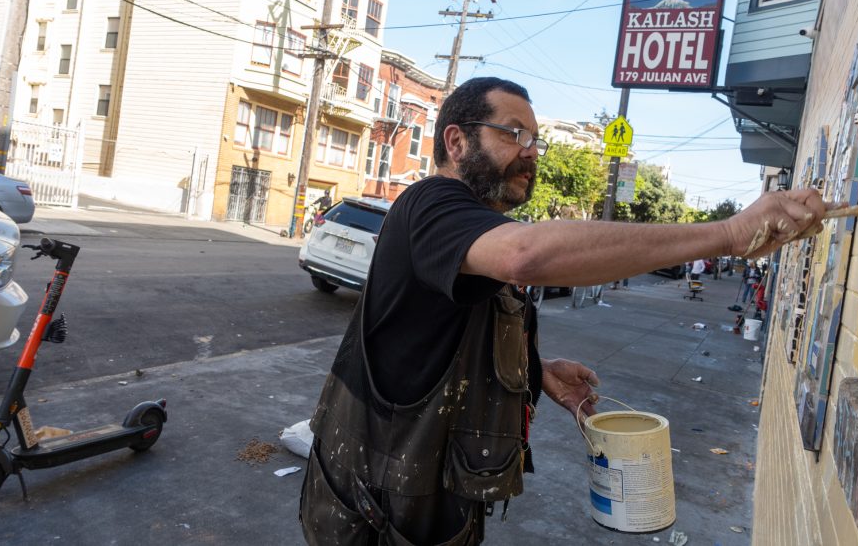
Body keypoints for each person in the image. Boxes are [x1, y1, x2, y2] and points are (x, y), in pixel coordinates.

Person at [299, 77, 829, 545]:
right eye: (513, 134)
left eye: (535, 139)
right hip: (380, 497)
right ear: (456, 140)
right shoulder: (431, 203)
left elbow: (445, 333)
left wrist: (537, 371)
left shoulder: (474, 229)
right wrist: (728, 234)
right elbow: (526, 257)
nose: (531, 151)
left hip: (432, 490)